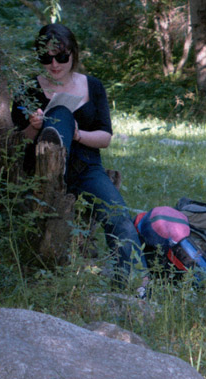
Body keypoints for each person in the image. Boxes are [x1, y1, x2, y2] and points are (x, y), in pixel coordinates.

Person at [11, 23, 142, 279]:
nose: (54, 64)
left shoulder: (93, 86)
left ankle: (129, 280)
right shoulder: (28, 88)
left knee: (119, 215)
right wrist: (32, 128)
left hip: (85, 167)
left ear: (73, 53)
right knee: (60, 112)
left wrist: (77, 135)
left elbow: (105, 137)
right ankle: (53, 163)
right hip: (41, 170)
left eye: (61, 57)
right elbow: (17, 140)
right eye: (46, 58)